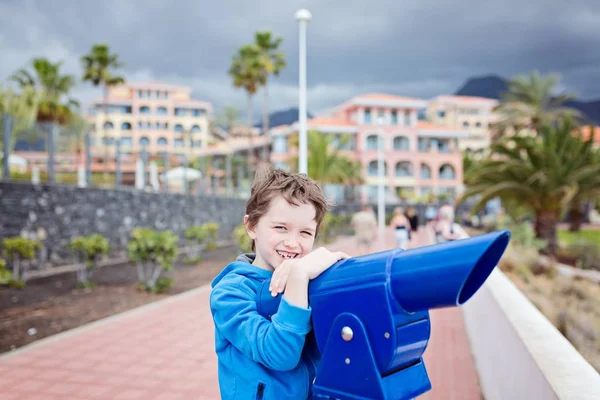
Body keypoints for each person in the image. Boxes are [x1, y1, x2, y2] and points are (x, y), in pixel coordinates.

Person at [210, 167, 350, 400]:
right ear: (252, 226)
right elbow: (279, 355)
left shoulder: (310, 279)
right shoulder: (229, 293)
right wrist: (298, 278)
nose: (293, 243)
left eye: (305, 232)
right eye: (280, 228)